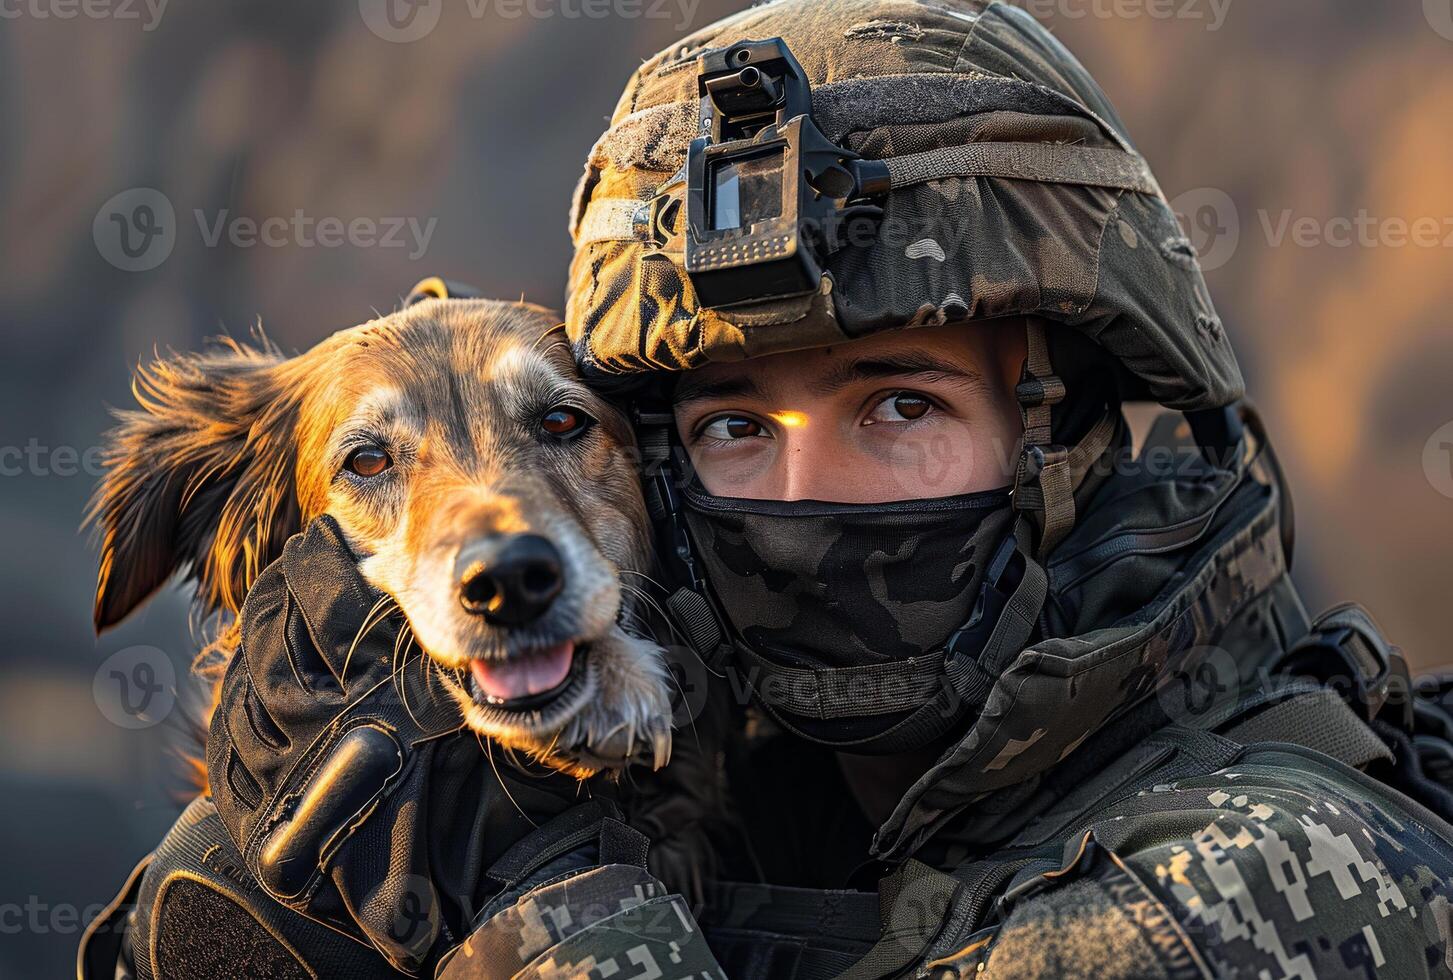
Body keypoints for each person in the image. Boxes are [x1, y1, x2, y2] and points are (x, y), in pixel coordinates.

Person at [82, 1, 1453, 977]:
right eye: (735, 426)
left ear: (1070, 429)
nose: (802, 495)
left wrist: (528, 900)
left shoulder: (1268, 875)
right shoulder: (745, 769)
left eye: (898, 406)